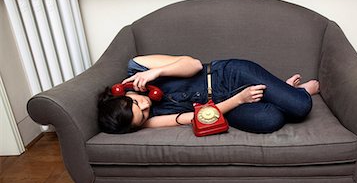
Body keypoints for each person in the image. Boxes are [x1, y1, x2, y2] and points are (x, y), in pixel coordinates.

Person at [98, 55, 319, 134]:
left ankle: (290, 91)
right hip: (225, 106)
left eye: (138, 103)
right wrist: (239, 100)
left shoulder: (138, 66)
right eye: (144, 115)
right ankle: (280, 91)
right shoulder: (143, 121)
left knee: (300, 106)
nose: (147, 106)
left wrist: (157, 72)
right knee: (270, 119)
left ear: (123, 94)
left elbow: (193, 65)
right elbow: (194, 118)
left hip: (229, 75)